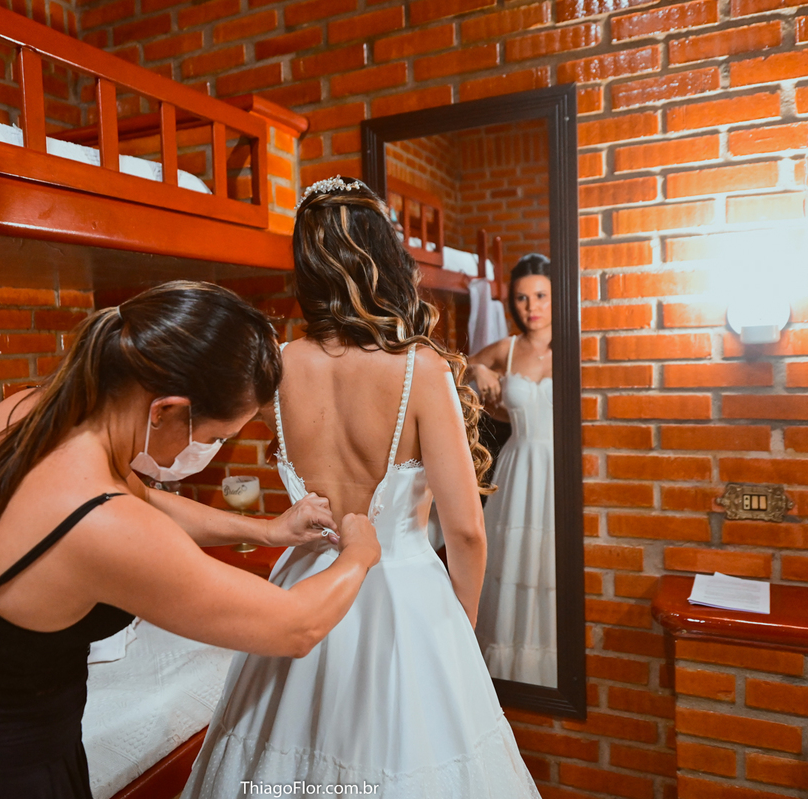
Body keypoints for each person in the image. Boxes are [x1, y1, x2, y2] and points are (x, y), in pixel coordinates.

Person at [0, 281, 382, 799]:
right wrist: (359, 552)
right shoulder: (101, 524)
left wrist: (264, 529)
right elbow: (296, 626)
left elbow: (142, 497)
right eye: (214, 437)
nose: (207, 450)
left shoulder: (27, 412)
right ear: (165, 409)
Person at [182, 178, 541, 798]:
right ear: (385, 259)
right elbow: (465, 530)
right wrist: (458, 626)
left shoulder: (278, 364)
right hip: (408, 598)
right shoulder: (420, 369)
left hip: (304, 585)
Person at [467, 254, 556, 687]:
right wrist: (480, 368)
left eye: (541, 295)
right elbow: (454, 367)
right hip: (518, 467)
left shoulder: (576, 345)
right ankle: (506, 677)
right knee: (514, 562)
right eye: (522, 298)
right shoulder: (508, 347)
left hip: (559, 471)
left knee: (550, 564)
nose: (531, 306)